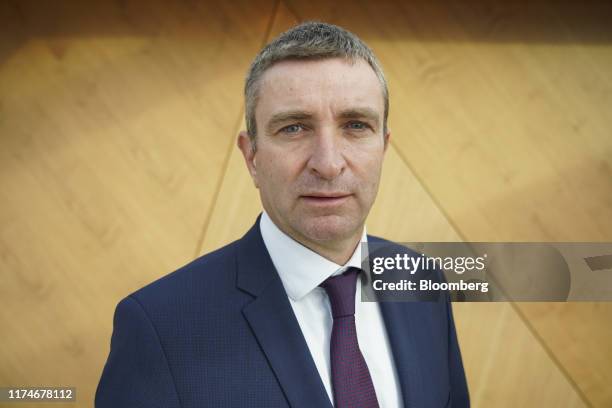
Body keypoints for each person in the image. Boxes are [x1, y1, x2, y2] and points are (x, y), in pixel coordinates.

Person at [96, 21, 469, 408]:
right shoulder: (160, 327)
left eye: (356, 125)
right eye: (294, 128)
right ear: (251, 157)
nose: (328, 164)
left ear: (383, 148)